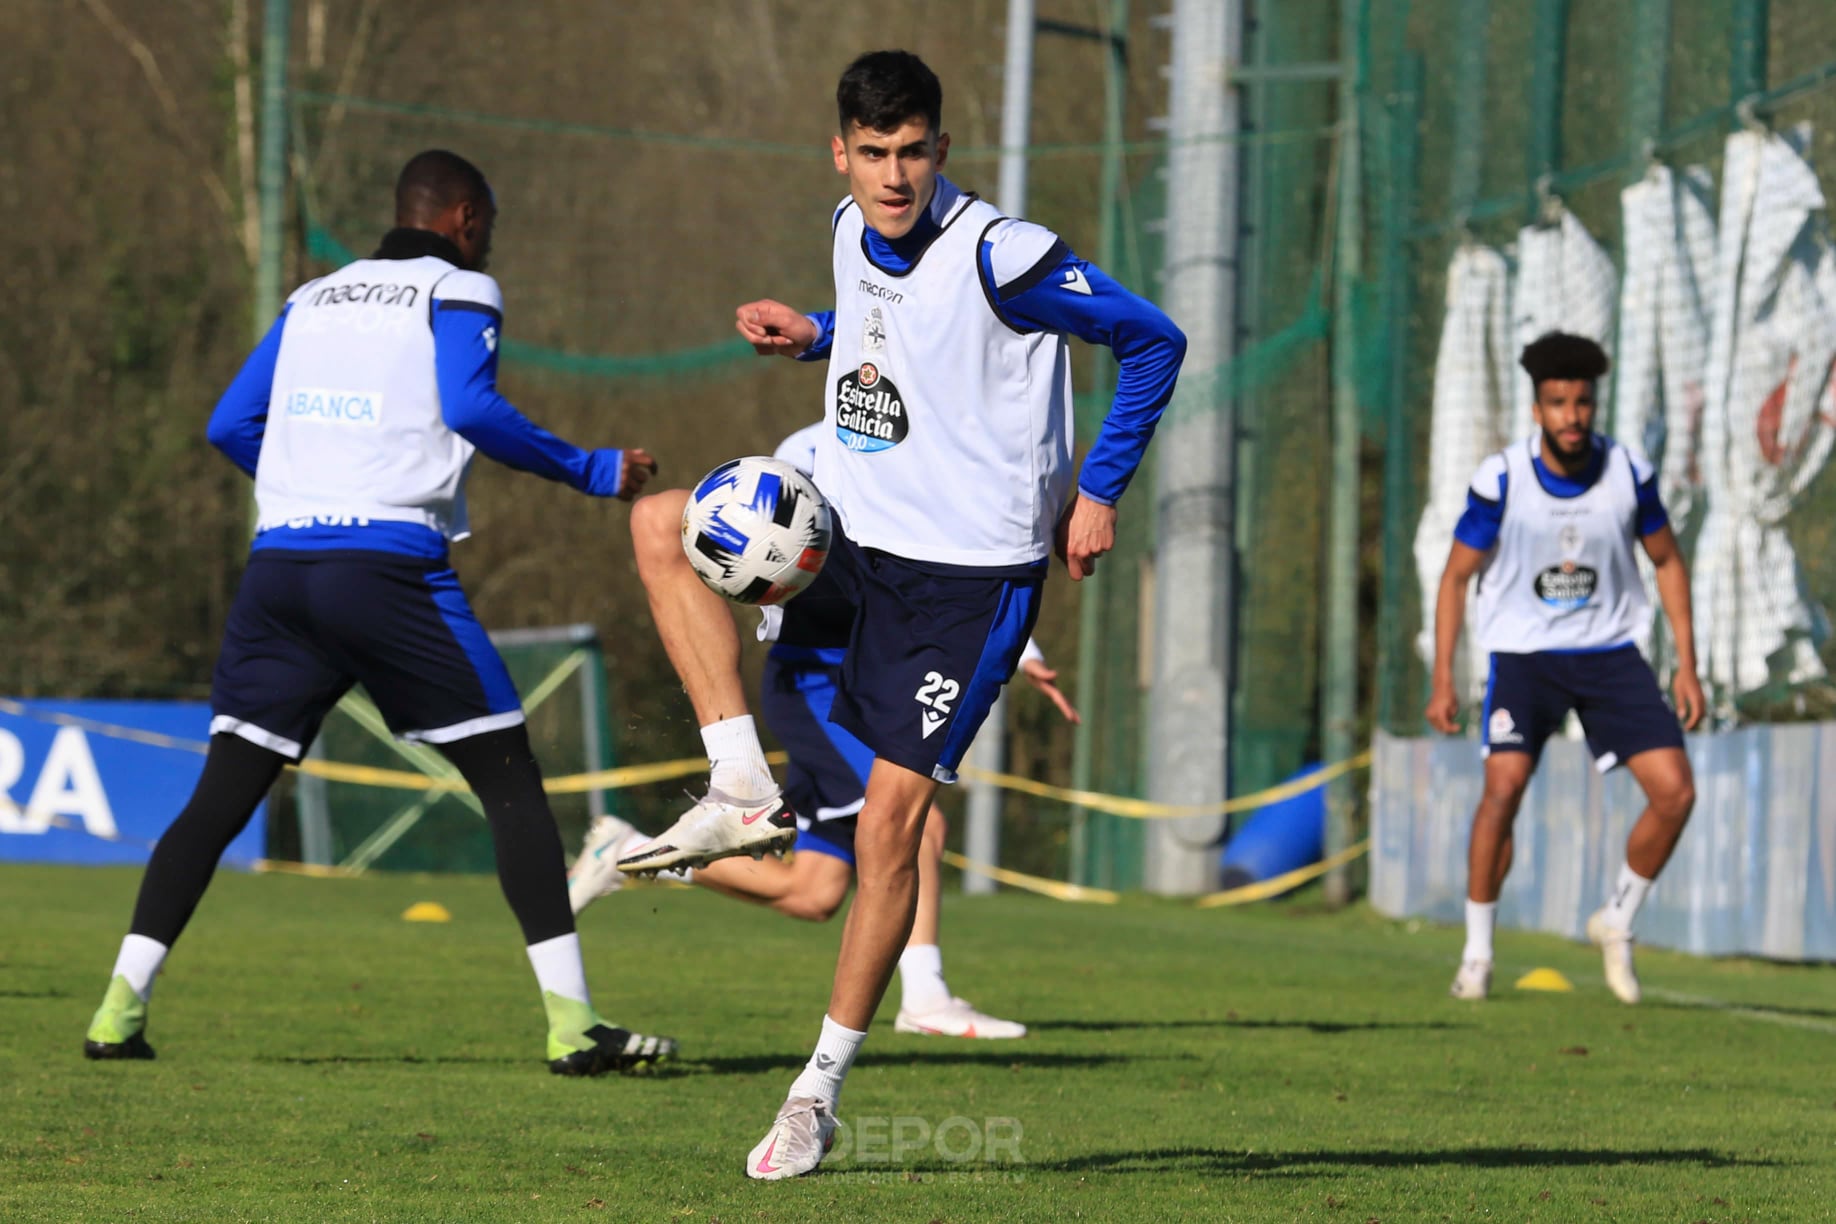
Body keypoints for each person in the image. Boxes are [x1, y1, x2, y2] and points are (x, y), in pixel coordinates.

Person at [615, 52, 1184, 1178]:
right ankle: (737, 784)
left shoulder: (1005, 254)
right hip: (854, 539)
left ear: (941, 149)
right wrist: (818, 337)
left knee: (888, 831)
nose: (893, 175)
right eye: (872, 153)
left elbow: (1151, 339)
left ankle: (815, 1090)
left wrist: (1102, 489)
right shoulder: (847, 225)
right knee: (658, 525)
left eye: (913, 151)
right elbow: (899, 331)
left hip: (968, 585)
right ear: (840, 151)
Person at [82, 150, 676, 1077]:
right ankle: (573, 1026)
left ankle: (119, 1009)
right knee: (511, 778)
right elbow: (470, 407)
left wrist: (308, 489)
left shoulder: (312, 298)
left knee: (220, 797)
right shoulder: (461, 288)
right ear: (466, 218)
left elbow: (229, 424)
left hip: (279, 571)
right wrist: (594, 469)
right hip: (386, 574)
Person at [568, 423, 1083, 1040]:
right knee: (918, 824)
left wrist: (1023, 651)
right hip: (819, 684)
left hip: (883, 670)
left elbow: (968, 569)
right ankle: (925, 996)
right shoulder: (824, 445)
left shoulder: (949, 441)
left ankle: (628, 853)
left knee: (813, 894)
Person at [1427, 331, 1703, 1006]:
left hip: (1610, 655)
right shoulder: (1502, 480)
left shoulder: (1628, 475)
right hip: (1524, 658)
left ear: (1594, 404)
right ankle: (1478, 954)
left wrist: (1687, 665)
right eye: (1557, 403)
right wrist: (1442, 677)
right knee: (1504, 787)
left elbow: (1667, 561)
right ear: (1536, 408)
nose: (1571, 417)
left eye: (1582, 403)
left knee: (1676, 793)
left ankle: (1616, 919)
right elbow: (1456, 577)